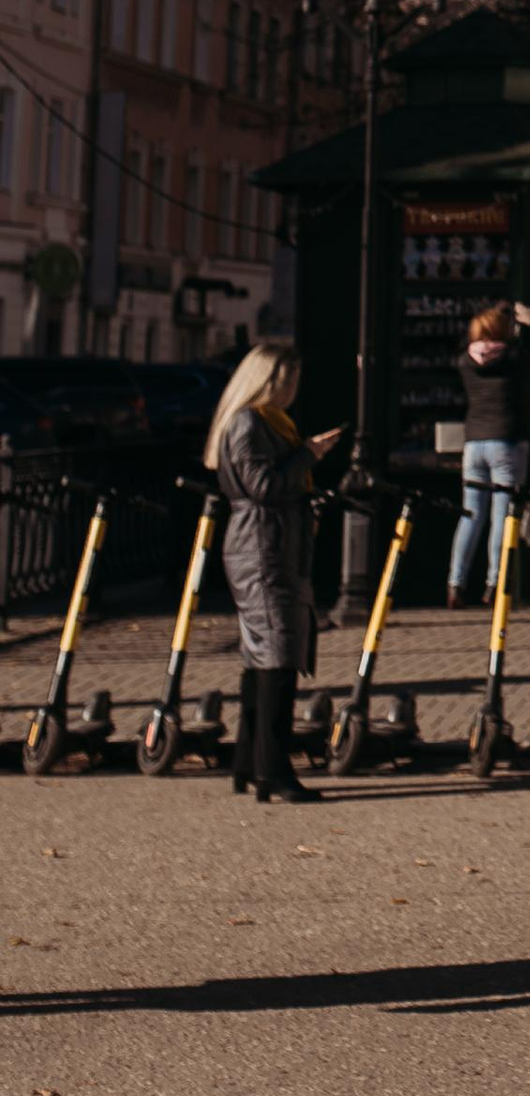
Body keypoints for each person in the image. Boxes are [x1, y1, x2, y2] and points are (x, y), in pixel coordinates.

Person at [208, 340, 341, 807]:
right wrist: (308, 454)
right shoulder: (249, 423)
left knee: (263, 657)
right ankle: (274, 770)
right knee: (278, 657)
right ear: (268, 381)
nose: (293, 390)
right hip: (262, 548)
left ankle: (249, 763)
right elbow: (261, 485)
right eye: (288, 381)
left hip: (273, 544)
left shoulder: (267, 421)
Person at [450, 299, 530, 607]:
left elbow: (463, 344)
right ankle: (494, 585)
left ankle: (455, 584)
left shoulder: (465, 361)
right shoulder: (513, 357)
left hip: (474, 444)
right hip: (507, 442)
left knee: (470, 515)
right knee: (502, 517)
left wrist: (488, 317)